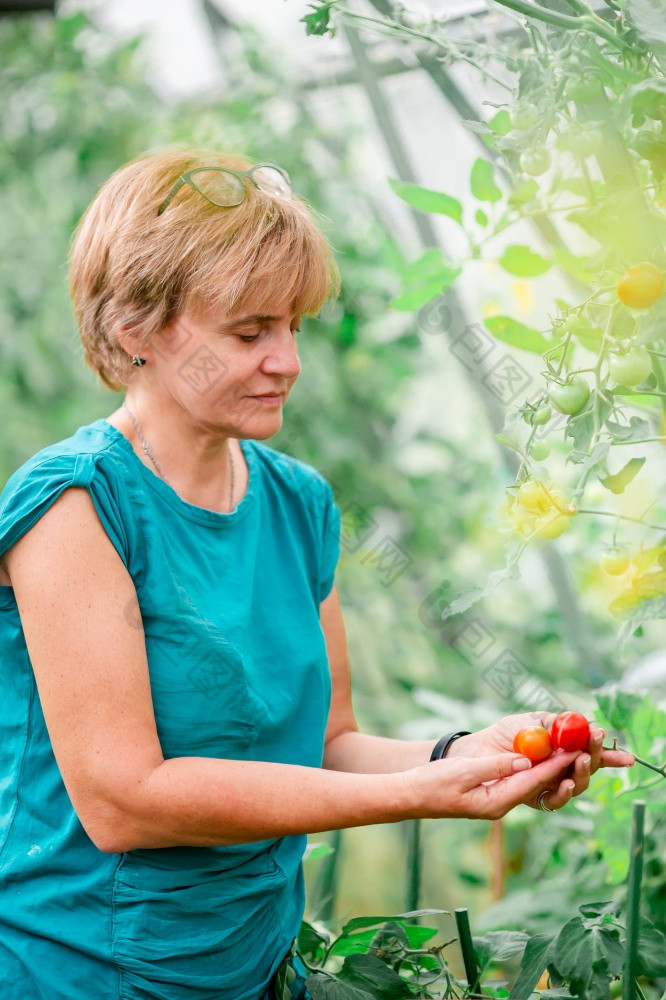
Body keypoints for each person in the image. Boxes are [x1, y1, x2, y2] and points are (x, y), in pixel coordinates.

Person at [0, 149, 634, 1000]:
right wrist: (420, 794)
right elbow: (126, 802)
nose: (289, 360)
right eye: (250, 331)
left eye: (294, 325)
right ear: (135, 331)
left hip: (254, 963)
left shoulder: (297, 503)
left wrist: (465, 755)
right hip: (84, 968)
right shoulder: (78, 505)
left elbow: (331, 743)